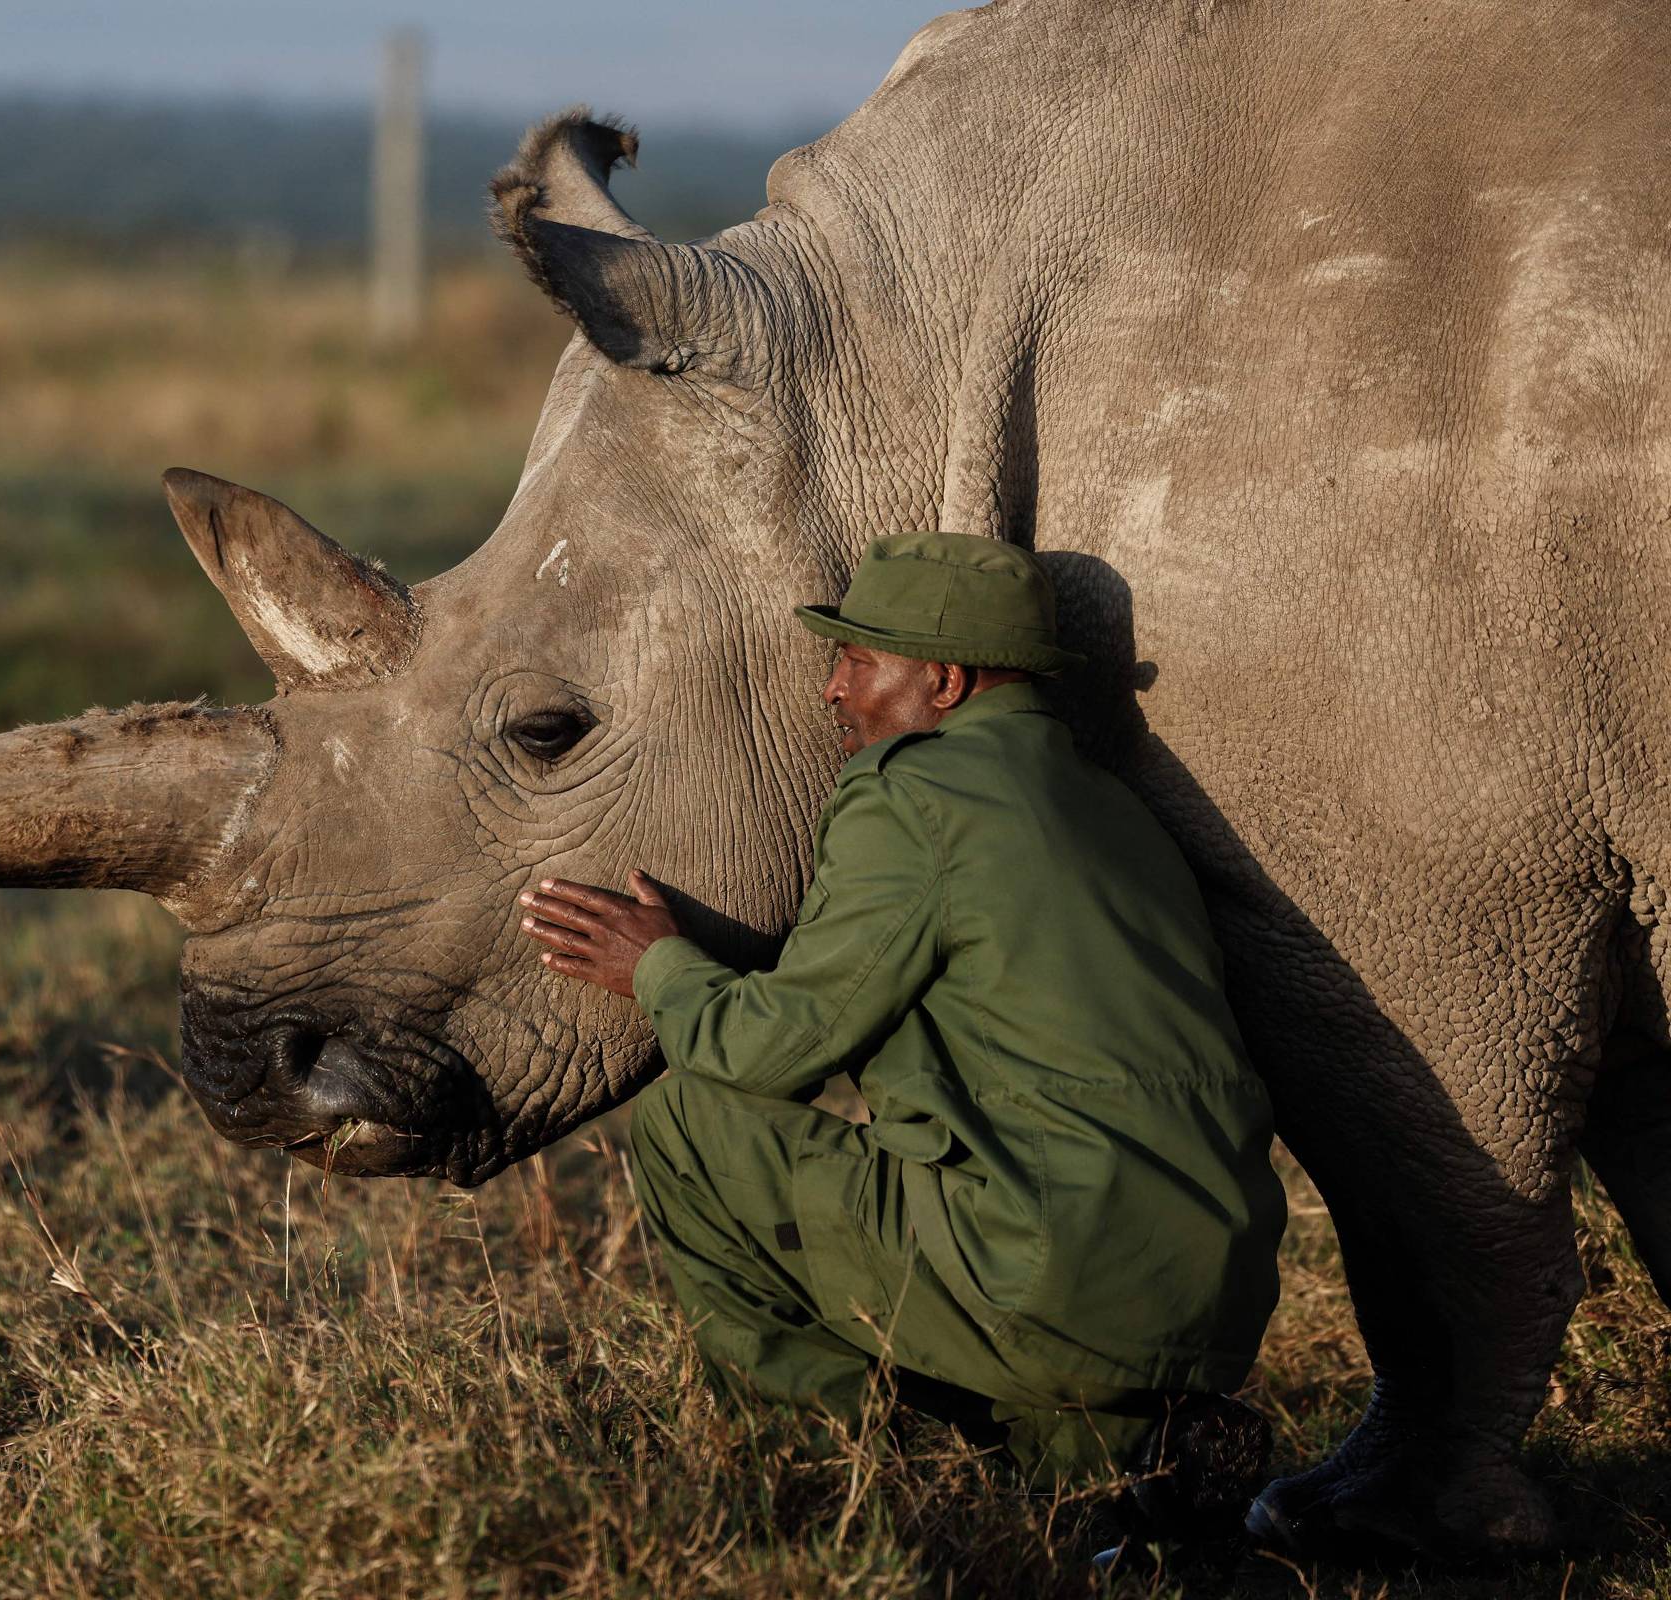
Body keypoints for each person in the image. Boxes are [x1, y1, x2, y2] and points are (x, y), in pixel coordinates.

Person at [516, 531, 1287, 1545]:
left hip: (1045, 1276)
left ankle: (869, 1471)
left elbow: (773, 1051)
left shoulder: (911, 792)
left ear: (947, 681)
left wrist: (655, 966)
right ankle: (1112, 1457)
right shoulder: (1115, 806)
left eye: (860, 660)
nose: (835, 690)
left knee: (691, 1108)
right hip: (1217, 1293)